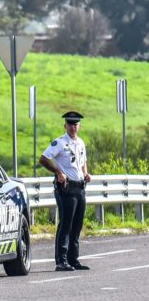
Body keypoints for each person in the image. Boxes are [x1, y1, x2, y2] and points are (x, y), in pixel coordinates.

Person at [40, 111, 92, 271]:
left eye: (75, 124)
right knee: (66, 224)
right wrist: (58, 172)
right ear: (65, 126)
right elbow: (43, 158)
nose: (73, 127)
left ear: (79, 126)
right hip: (66, 187)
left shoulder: (81, 143)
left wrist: (85, 173)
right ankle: (61, 261)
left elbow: (83, 162)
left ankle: (73, 259)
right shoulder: (60, 143)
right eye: (70, 124)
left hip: (80, 186)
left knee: (77, 225)